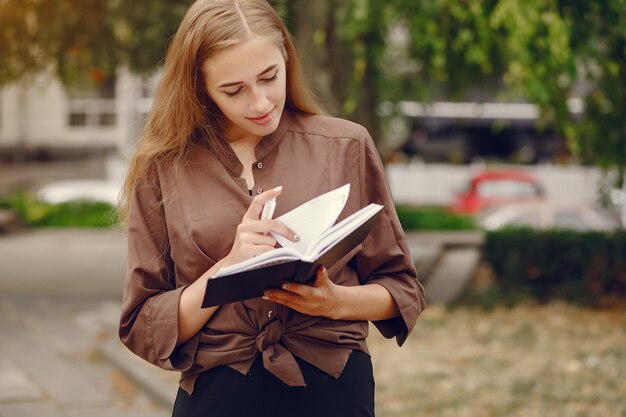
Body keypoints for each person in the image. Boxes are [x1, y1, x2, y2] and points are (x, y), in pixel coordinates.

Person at [118, 1, 426, 416]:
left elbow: (403, 290)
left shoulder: (346, 146)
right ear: (199, 86)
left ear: (287, 59)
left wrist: (334, 302)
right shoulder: (162, 169)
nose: (260, 102)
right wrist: (227, 267)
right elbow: (142, 322)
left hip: (333, 388)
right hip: (217, 394)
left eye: (270, 77)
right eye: (234, 90)